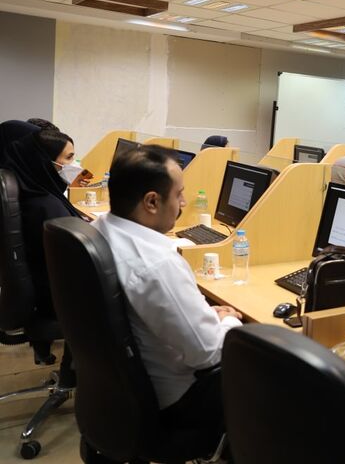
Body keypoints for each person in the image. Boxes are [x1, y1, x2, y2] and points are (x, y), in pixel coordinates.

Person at [92, 145, 241, 452]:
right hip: (178, 402)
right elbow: (207, 354)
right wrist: (227, 321)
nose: (183, 203)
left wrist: (203, 316)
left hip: (115, 393)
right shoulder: (156, 264)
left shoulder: (100, 228)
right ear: (151, 201)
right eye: (179, 194)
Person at [0, 122, 86, 371]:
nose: (74, 165)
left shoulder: (33, 195)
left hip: (43, 291)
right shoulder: (47, 206)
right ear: (44, 162)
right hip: (58, 298)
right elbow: (79, 262)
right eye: (68, 158)